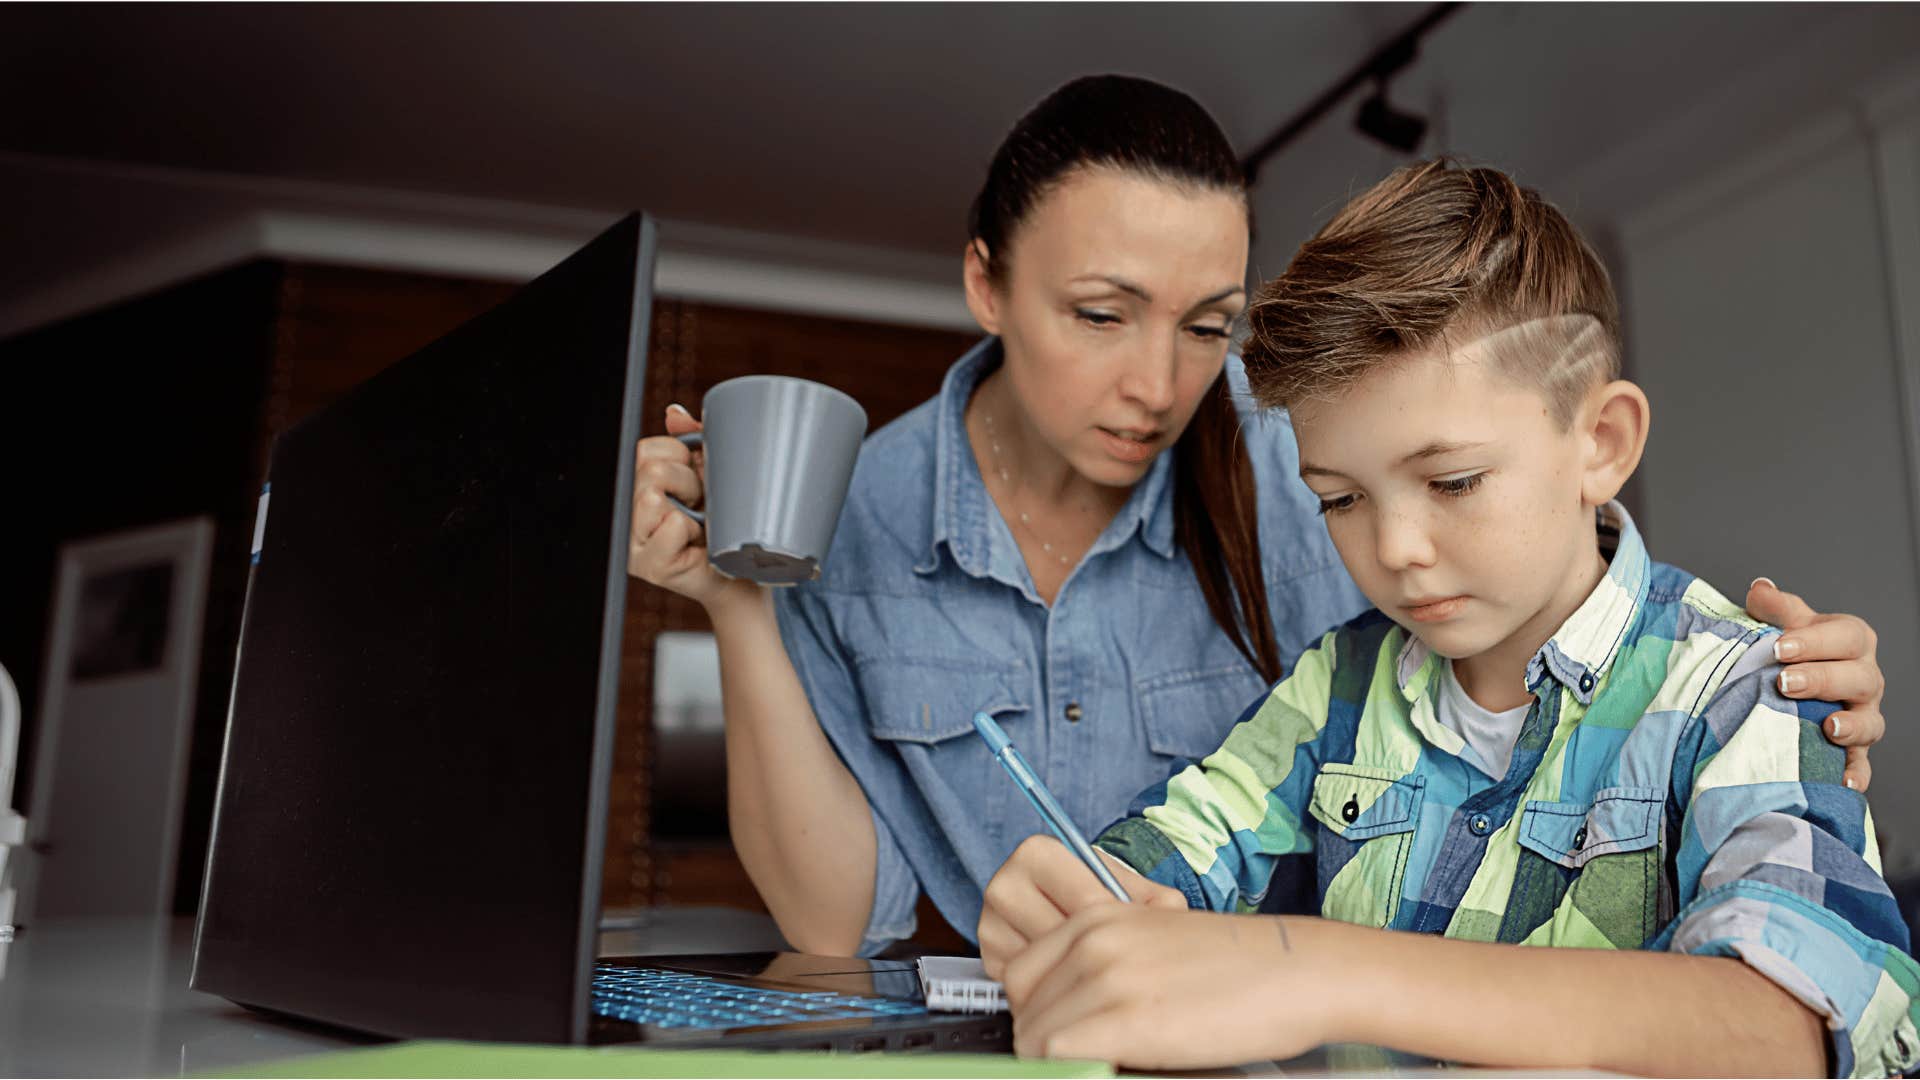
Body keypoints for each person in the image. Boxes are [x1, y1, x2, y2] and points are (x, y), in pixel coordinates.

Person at [626, 75, 1889, 959]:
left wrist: (1758, 677)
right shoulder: (861, 516)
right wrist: (741, 602)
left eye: (1207, 327)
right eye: (1102, 312)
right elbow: (859, 924)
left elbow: (1788, 1005)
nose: (1161, 389)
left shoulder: (1302, 432)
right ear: (986, 283)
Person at [978, 160, 1917, 1077]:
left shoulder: (1746, 692)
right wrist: (1081, 908)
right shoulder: (1332, 693)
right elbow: (1159, 873)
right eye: (1340, 499)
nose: (1395, 549)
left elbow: (1786, 1027)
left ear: (1601, 442)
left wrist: (1322, 973)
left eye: (1452, 481)